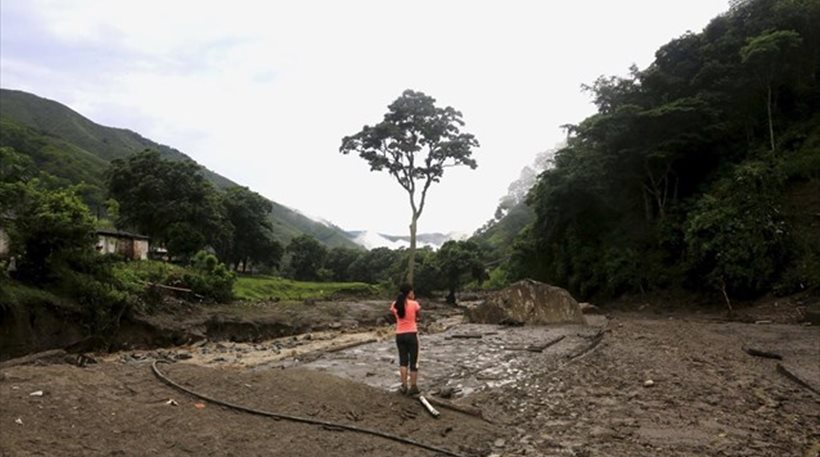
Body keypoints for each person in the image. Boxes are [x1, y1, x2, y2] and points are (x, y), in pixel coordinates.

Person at [390, 283, 421, 395]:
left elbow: (395, 314)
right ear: (409, 292)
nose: (413, 293)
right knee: (413, 361)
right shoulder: (414, 304)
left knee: (403, 361)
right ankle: (413, 386)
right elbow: (418, 316)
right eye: (412, 292)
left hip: (400, 334)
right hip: (411, 334)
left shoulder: (395, 304)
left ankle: (404, 386)